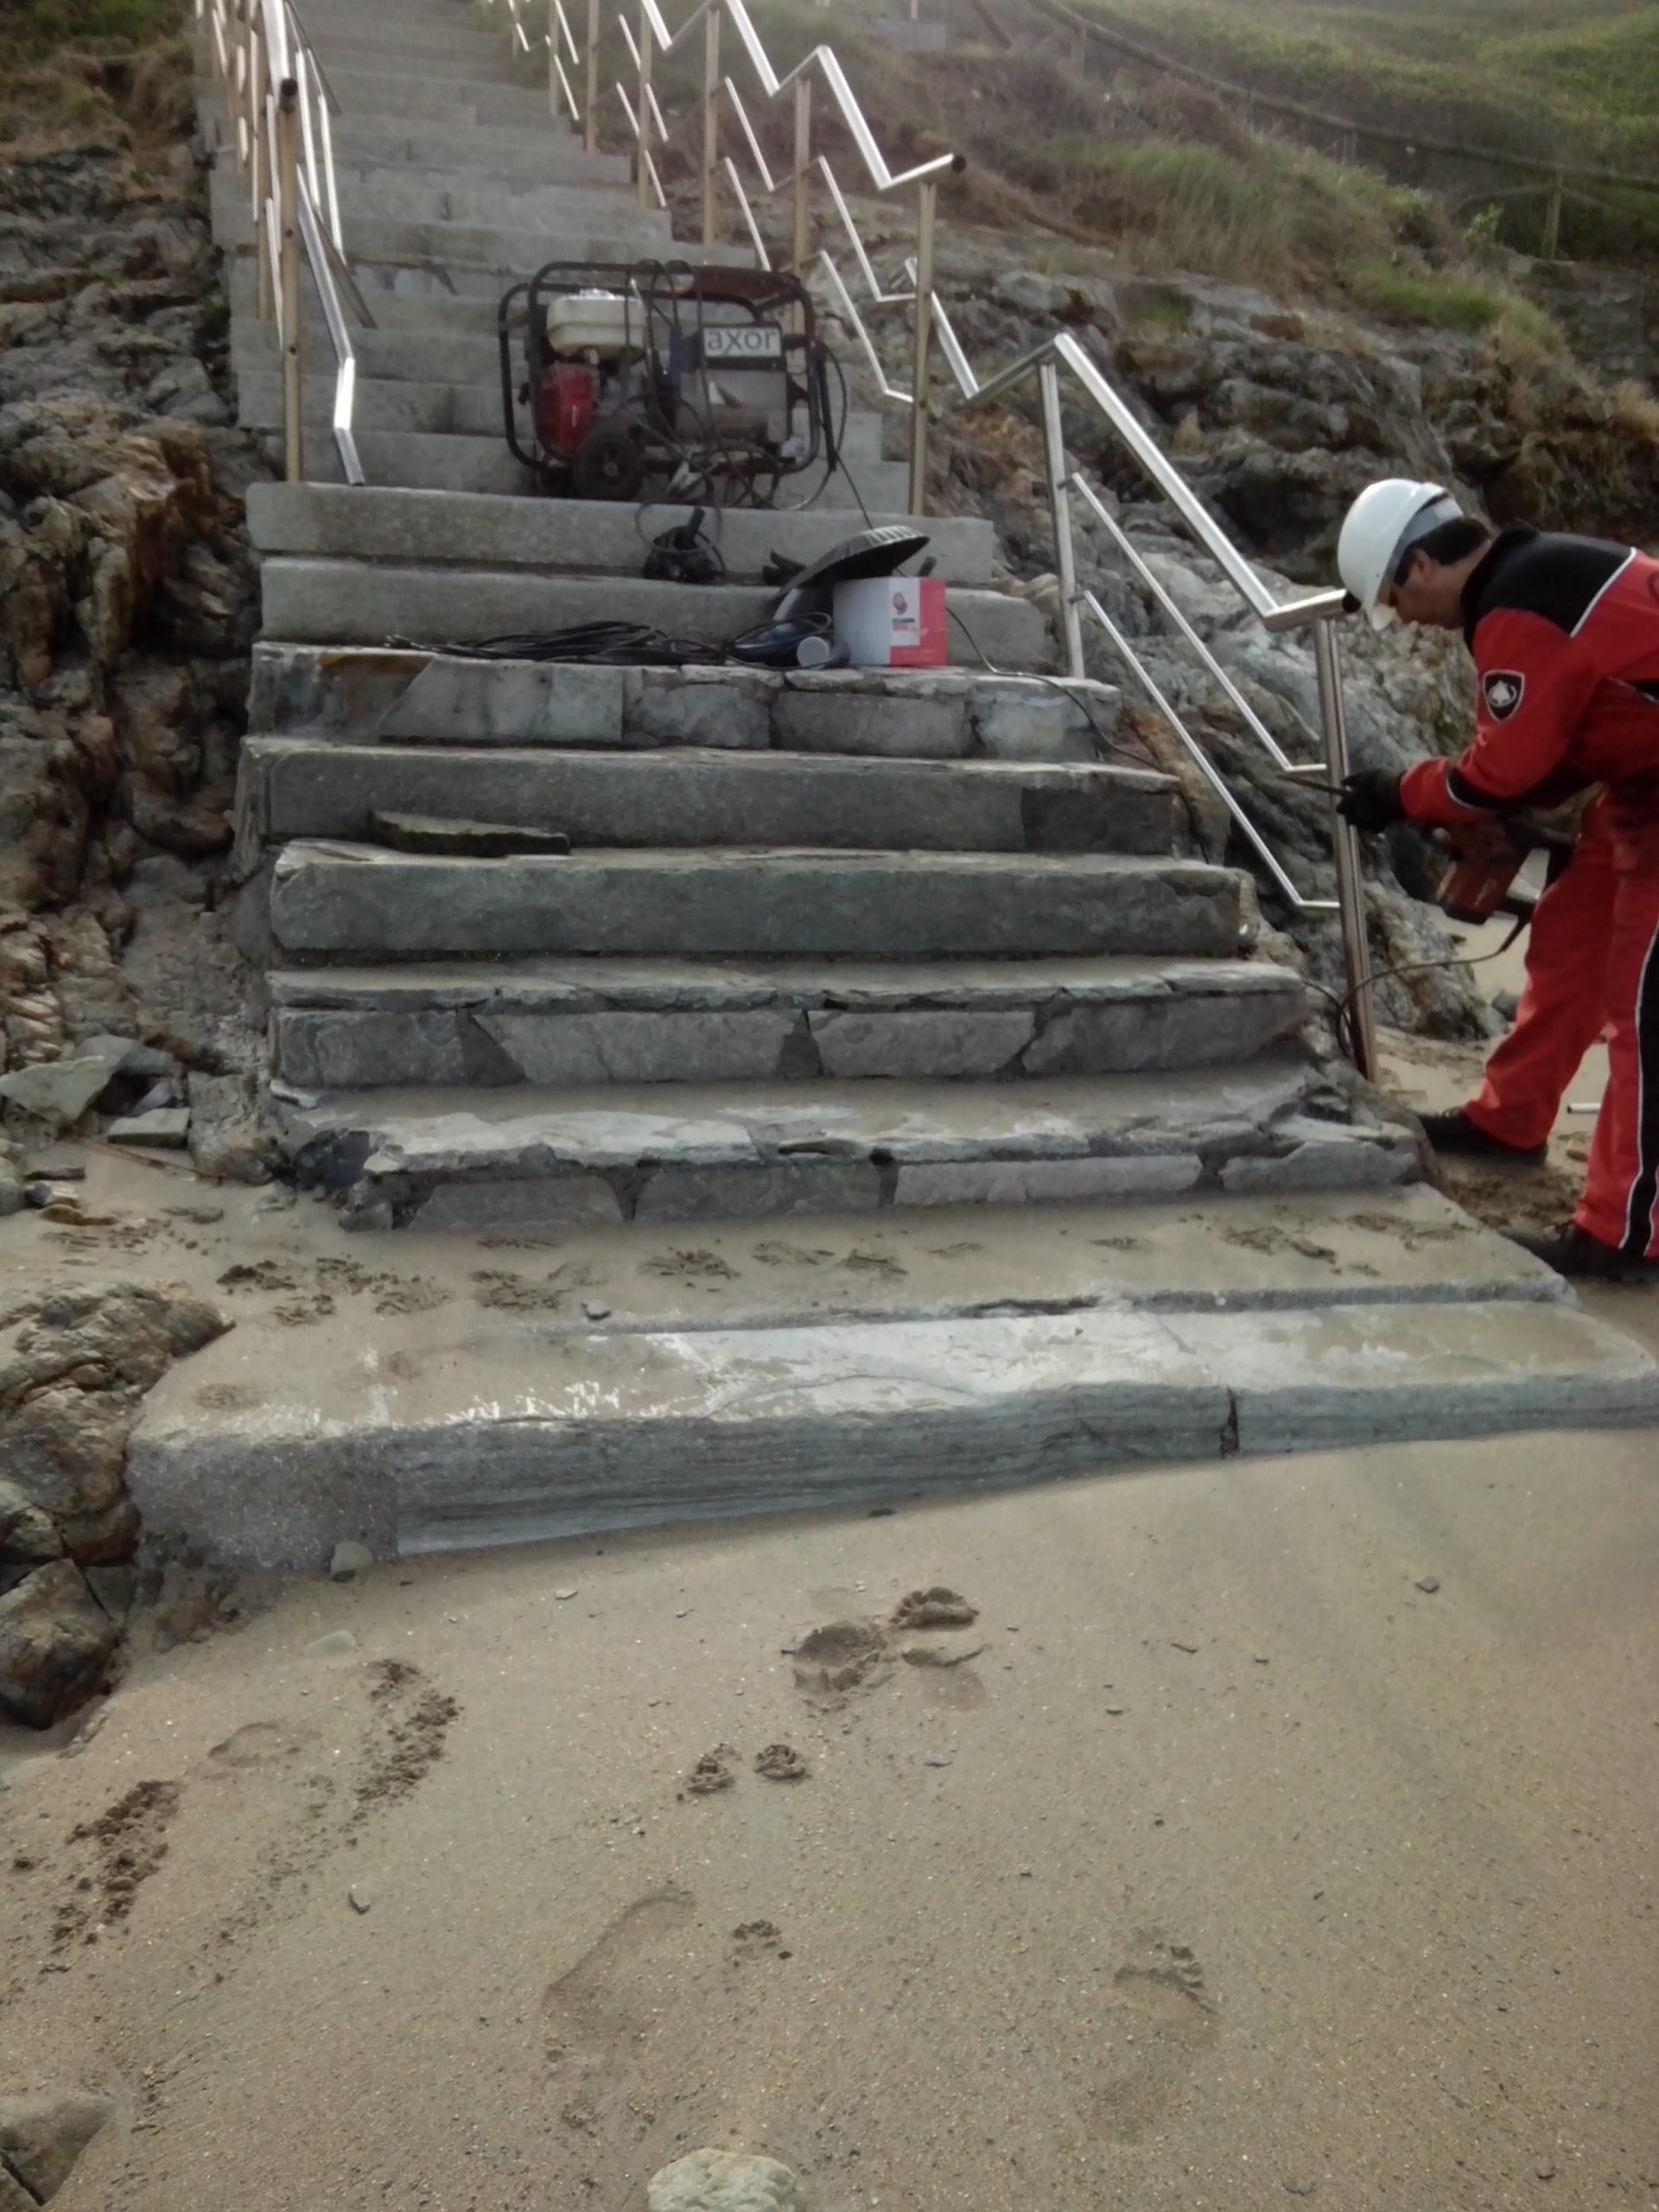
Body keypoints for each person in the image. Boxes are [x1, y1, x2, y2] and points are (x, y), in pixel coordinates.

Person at [1332, 478, 1659, 1280]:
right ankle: (1510, 1121)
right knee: (1570, 947)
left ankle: (1626, 1234)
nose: (1406, 620)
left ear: (1418, 566)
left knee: (1646, 1006)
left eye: (1394, 602)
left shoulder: (1517, 608)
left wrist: (1396, 792)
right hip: (1643, 785)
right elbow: (1576, 731)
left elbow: (1497, 774)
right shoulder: (1542, 576)